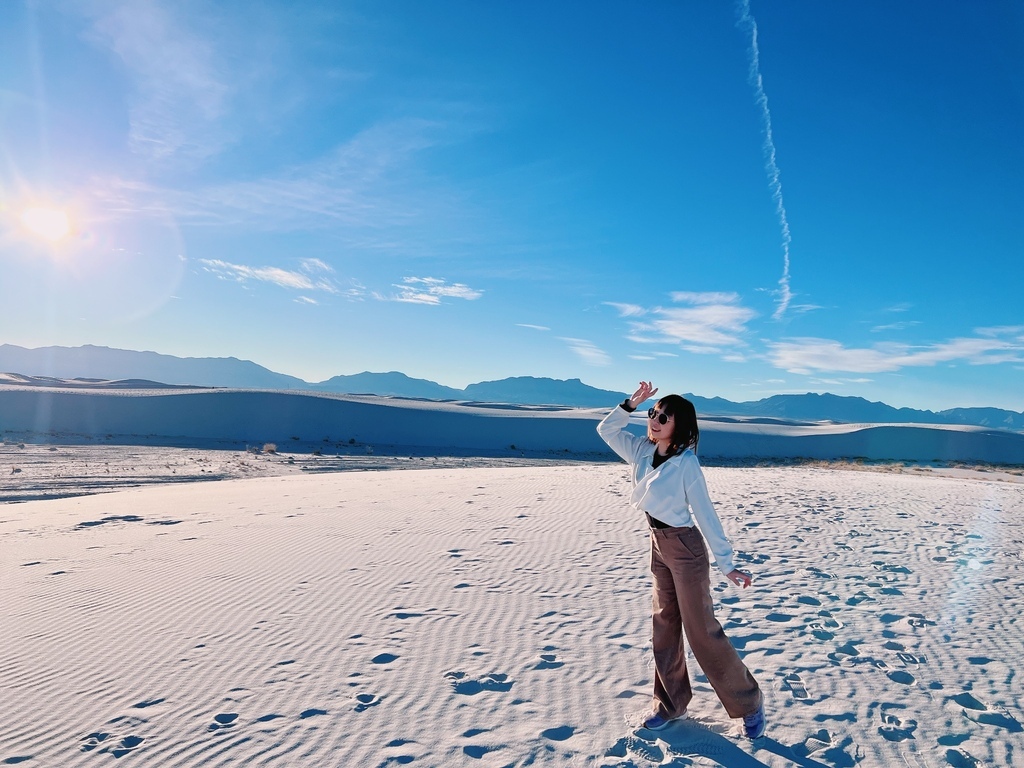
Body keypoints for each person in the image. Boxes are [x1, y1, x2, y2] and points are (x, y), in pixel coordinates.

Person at [597, 380, 766, 739]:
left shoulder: (686, 463)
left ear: (680, 425)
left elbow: (705, 513)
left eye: (664, 416)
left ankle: (749, 703)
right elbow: (605, 429)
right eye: (653, 413)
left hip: (686, 548)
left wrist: (727, 563)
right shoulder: (642, 449)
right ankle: (670, 703)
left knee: (700, 629)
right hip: (657, 544)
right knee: (664, 625)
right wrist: (630, 404)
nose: (655, 420)